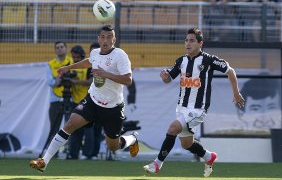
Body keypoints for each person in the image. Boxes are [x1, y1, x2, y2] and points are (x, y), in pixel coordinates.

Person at [30, 25, 139, 172]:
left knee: (113, 146)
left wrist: (106, 74)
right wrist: (68, 68)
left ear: (114, 39)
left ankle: (132, 139)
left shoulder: (120, 55)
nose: (105, 40)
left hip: (112, 107)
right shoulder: (95, 53)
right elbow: (88, 61)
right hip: (93, 100)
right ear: (98, 38)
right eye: (103, 37)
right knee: (69, 124)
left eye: (109, 37)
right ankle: (44, 161)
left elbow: (128, 80)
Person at [143, 28, 245, 177]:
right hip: (182, 108)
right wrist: (164, 76)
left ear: (200, 43)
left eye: (191, 40)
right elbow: (168, 79)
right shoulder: (181, 61)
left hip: (198, 109)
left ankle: (157, 164)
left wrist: (236, 93)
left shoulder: (208, 60)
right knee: (186, 144)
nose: (188, 43)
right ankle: (209, 157)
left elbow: (230, 71)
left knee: (172, 128)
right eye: (186, 40)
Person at [40, 41, 73, 157]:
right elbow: (50, 82)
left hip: (70, 99)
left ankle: (70, 151)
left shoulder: (71, 62)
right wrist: (58, 80)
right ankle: (53, 153)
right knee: (54, 128)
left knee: (70, 127)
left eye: (61, 47)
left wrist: (57, 79)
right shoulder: (50, 64)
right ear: (55, 50)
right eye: (57, 47)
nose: (59, 49)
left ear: (66, 48)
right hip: (55, 100)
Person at [66, 45, 98, 160]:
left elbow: (90, 81)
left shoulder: (89, 66)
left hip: (87, 100)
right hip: (74, 100)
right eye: (73, 57)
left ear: (82, 56)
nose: (75, 60)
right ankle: (73, 153)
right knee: (74, 128)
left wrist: (74, 81)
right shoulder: (70, 65)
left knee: (88, 129)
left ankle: (87, 154)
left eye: (77, 58)